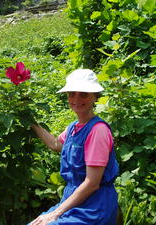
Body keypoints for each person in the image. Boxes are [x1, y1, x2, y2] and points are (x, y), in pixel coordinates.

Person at [29, 69, 120, 225]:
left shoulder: (97, 131)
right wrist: (30, 120)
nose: (76, 99)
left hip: (94, 207)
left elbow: (92, 183)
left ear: (94, 97)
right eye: (72, 93)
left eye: (83, 94)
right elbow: (55, 144)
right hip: (74, 200)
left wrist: (55, 214)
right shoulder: (74, 127)